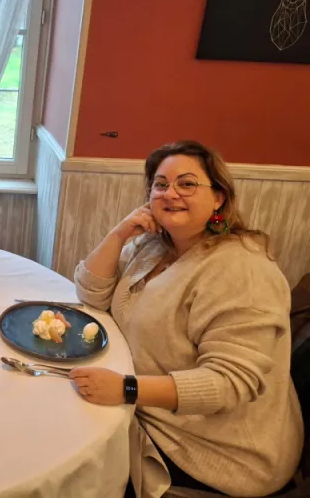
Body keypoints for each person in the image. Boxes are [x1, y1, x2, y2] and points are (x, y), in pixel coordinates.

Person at [69, 140, 302, 497]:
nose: (170, 193)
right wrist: (119, 233)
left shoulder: (242, 268)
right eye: (160, 184)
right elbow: (91, 293)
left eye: (187, 184)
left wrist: (125, 388)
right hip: (148, 407)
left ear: (219, 197)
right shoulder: (154, 246)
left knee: (75, 469)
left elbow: (228, 383)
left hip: (217, 450)